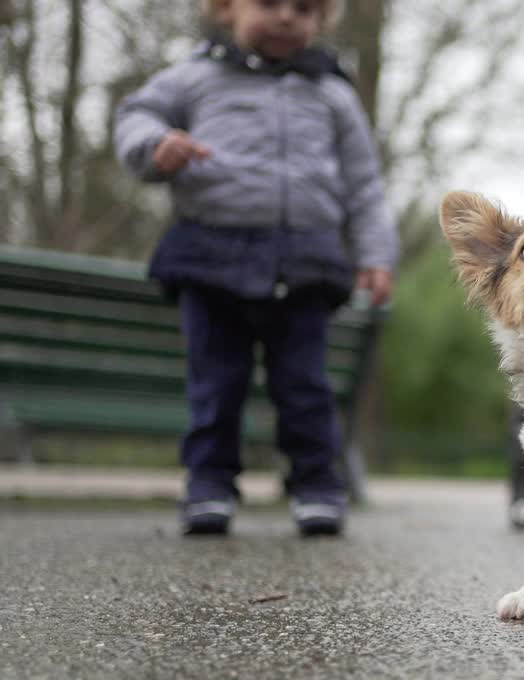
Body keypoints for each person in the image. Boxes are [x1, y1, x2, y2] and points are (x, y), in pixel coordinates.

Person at [114, 0, 398, 536]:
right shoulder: (193, 77)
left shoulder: (332, 93)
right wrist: (155, 145)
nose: (288, 18)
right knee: (216, 382)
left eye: (305, 9)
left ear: (321, 22)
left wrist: (376, 255)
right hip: (212, 255)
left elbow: (364, 185)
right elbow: (135, 114)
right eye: (269, 4)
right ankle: (208, 485)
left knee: (305, 385)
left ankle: (316, 486)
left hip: (305, 259)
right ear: (226, 8)